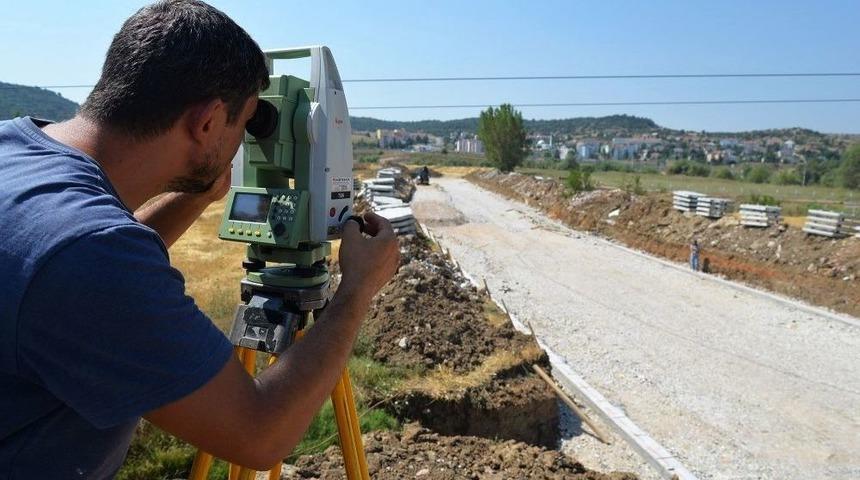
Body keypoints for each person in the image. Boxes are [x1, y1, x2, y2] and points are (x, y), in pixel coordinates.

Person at [0, 1, 400, 478]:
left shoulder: (16, 151)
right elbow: (260, 434)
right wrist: (357, 289)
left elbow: (64, 271)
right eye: (244, 123)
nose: (244, 144)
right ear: (208, 121)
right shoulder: (91, 256)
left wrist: (193, 196)